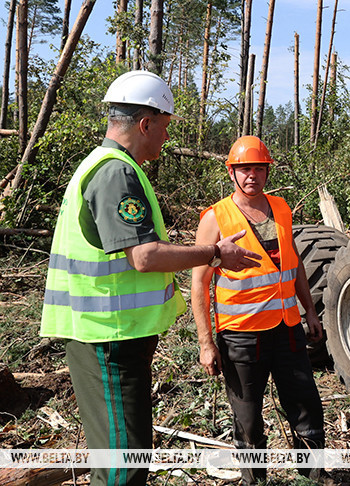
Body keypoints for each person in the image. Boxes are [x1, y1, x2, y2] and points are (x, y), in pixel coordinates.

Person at [40, 70, 262, 486]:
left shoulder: (113, 167)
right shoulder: (115, 173)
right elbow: (143, 256)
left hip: (114, 339)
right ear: (145, 124)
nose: (165, 137)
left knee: (127, 455)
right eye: (163, 126)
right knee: (124, 467)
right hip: (107, 340)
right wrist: (216, 253)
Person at [191, 136, 325, 484]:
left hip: (287, 329)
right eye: (244, 169)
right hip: (241, 336)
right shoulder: (215, 217)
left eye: (258, 169)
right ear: (232, 173)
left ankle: (311, 475)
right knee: (248, 419)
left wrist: (309, 310)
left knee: (306, 406)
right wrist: (206, 343)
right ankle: (255, 479)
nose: (252, 176)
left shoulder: (281, 208)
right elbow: (199, 285)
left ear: (267, 171)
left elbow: (293, 264)